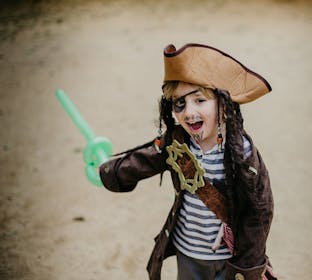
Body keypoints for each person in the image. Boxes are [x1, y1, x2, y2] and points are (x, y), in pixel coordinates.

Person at [99, 43, 276, 280]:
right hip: (188, 251)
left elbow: (259, 210)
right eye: (179, 103)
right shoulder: (176, 142)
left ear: (223, 104)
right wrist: (112, 172)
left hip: (229, 258)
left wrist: (250, 264)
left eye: (199, 100)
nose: (188, 112)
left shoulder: (241, 153)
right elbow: (143, 160)